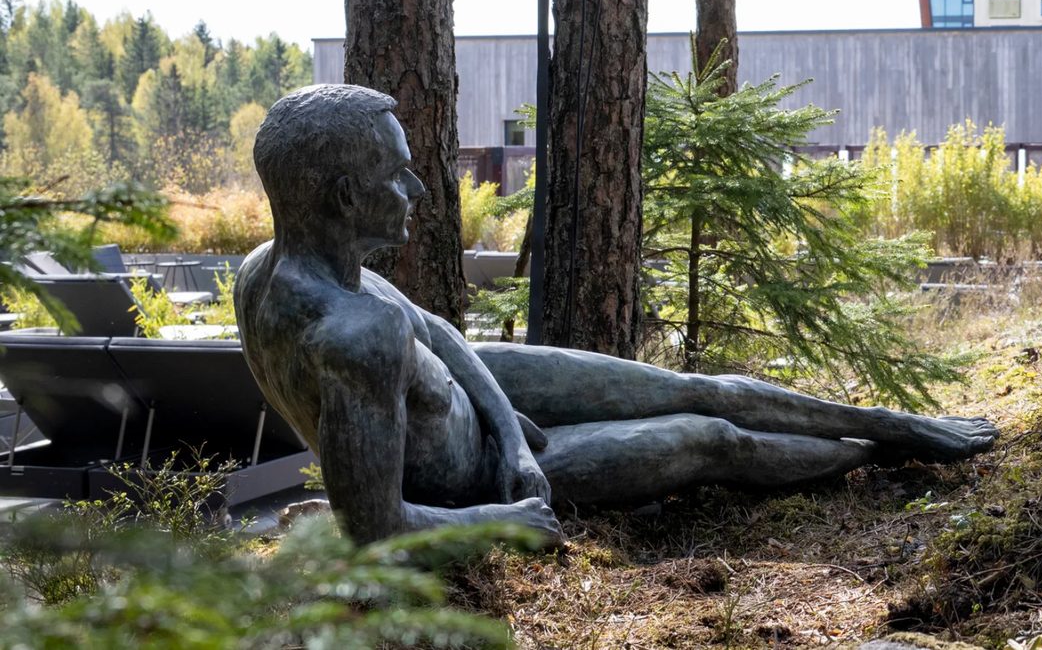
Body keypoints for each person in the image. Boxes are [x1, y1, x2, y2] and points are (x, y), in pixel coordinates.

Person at [234, 83, 997, 545]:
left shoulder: (270, 268)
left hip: (483, 405)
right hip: (475, 483)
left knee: (701, 386)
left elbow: (435, 334)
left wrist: (511, 433)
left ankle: (889, 421)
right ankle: (876, 449)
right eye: (396, 176)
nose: (418, 192)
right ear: (340, 197)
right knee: (712, 436)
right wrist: (504, 513)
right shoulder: (348, 337)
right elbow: (376, 529)